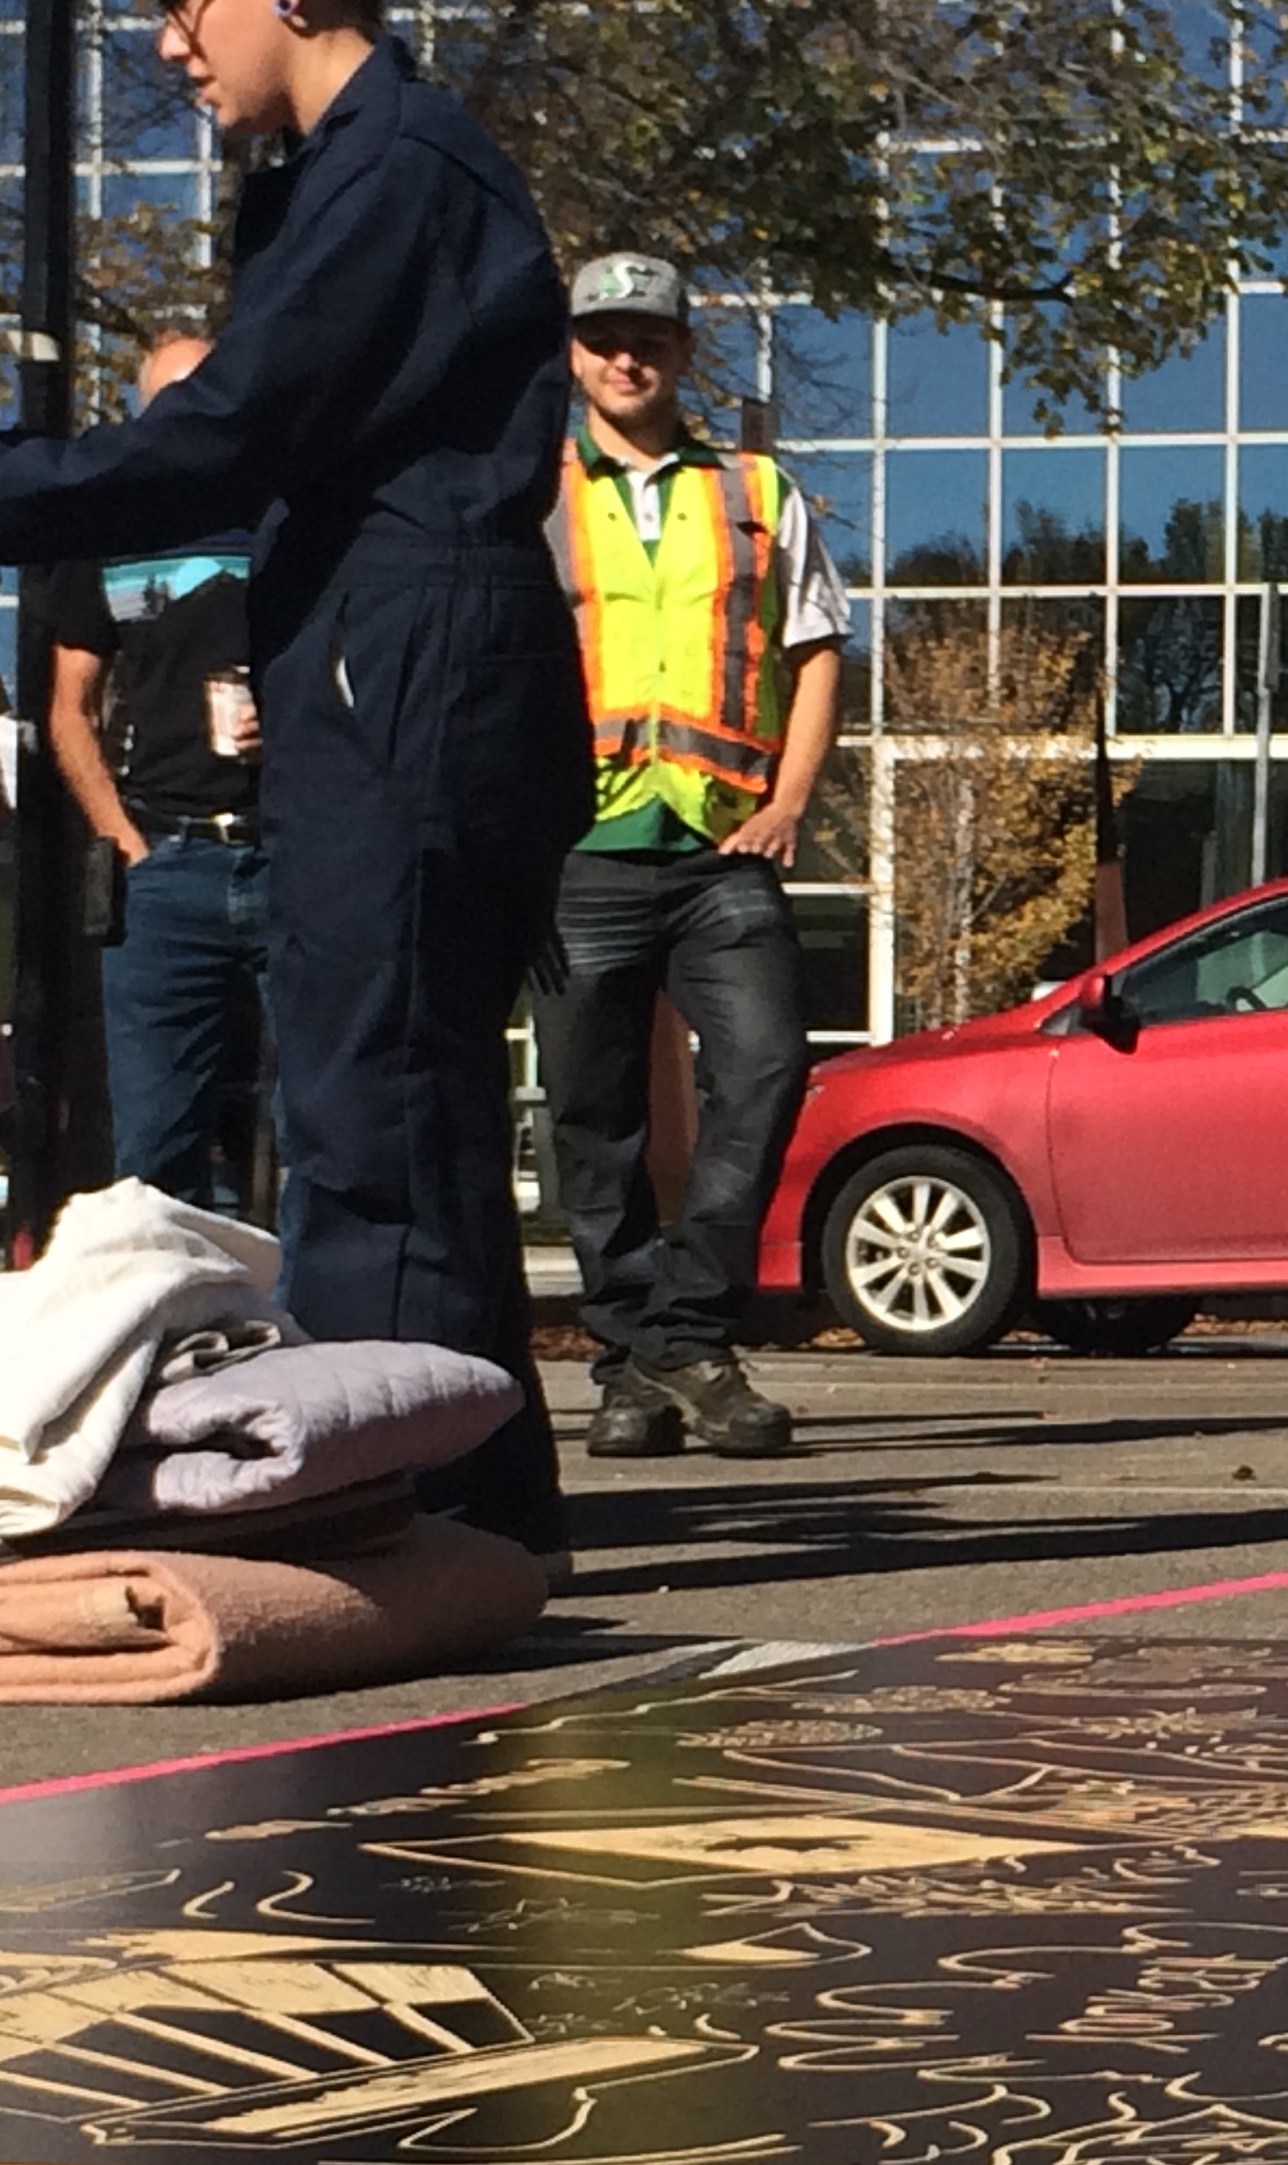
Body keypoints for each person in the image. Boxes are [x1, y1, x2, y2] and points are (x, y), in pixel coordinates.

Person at [0, 0, 589, 1566]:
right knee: (413, 1105)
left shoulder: (395, 167)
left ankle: (375, 1528)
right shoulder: (362, 169)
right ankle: (477, 1509)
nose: (167, 45)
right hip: (402, 652)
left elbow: (230, 431)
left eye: (187, 2)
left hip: (406, 657)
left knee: (370, 1111)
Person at [535, 254, 847, 1460]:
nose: (628, 358)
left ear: (684, 353)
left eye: (650, 338)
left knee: (765, 1070)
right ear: (575, 353)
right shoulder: (532, 489)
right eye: (604, 338)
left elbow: (817, 651)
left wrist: (790, 802)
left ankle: (688, 1330)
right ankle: (636, 1362)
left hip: (724, 848)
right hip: (580, 849)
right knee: (592, 1114)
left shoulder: (757, 491)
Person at [42, 333, 276, 1209]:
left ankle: (302, 1292)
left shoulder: (294, 515)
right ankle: (184, 1291)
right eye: (169, 400)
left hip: (296, 857)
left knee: (321, 1123)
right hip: (164, 867)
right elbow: (69, 709)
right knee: (156, 1144)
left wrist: (295, 727)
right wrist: (126, 843)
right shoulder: (110, 527)